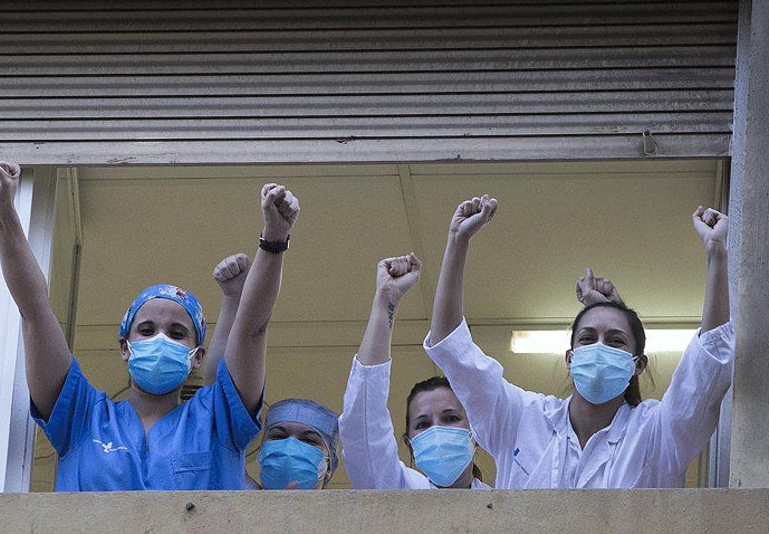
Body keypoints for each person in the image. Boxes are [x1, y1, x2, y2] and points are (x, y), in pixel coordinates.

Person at [0, 163, 300, 491]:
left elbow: (252, 329)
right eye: (146, 330)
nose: (160, 339)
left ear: (197, 355)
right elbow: (34, 311)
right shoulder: (81, 416)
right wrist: (3, 212)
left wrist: (274, 241)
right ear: (124, 347)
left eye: (177, 334)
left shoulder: (217, 420)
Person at [425, 195, 734, 488]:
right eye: (587, 338)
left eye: (615, 342)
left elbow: (708, 363)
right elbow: (451, 347)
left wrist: (716, 253)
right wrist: (457, 242)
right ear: (570, 358)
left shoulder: (656, 432)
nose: (599, 347)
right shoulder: (522, 418)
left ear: (637, 364)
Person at [338, 253, 490, 490]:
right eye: (423, 424)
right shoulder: (398, 491)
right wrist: (386, 300)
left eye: (450, 418)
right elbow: (362, 423)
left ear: (476, 434)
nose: (437, 430)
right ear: (410, 444)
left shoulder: (505, 504)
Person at [201, 253, 340, 490]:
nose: (289, 447)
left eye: (309, 440)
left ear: (329, 466)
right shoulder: (239, 495)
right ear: (262, 451)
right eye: (278, 436)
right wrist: (234, 300)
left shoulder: (347, 522)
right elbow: (217, 397)